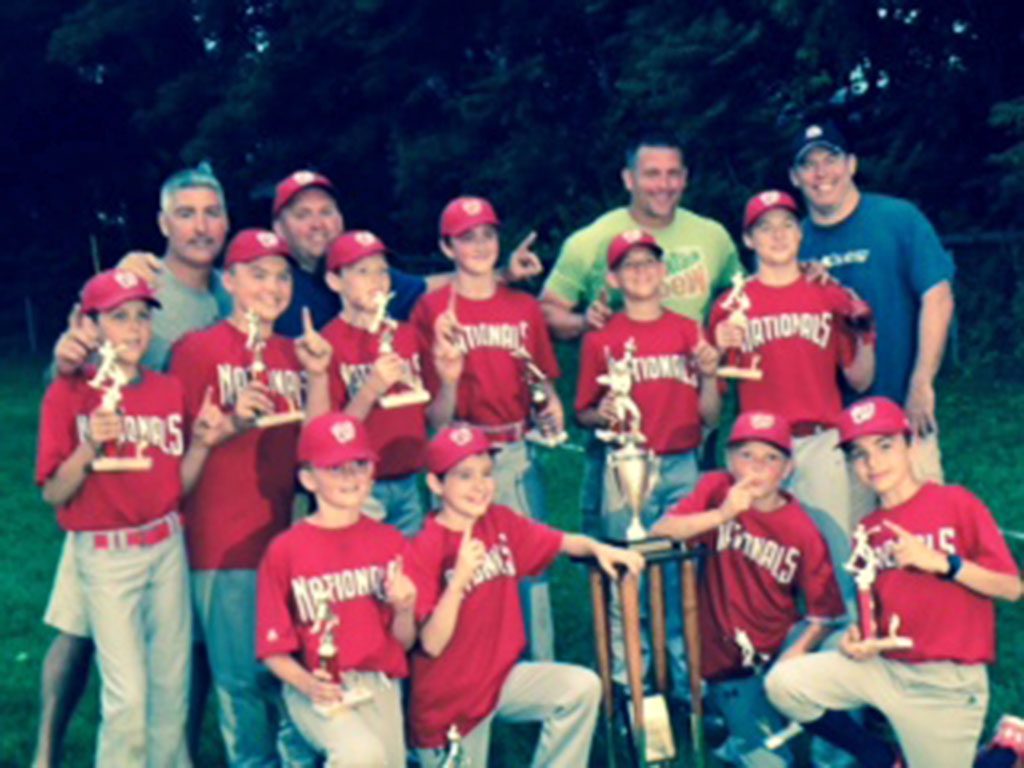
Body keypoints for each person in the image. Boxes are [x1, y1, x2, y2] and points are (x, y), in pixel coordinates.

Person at [37, 163, 232, 768]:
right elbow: (67, 374)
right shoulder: (137, 279)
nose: (200, 226)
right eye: (186, 213)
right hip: (103, 515)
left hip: (170, 511)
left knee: (173, 668)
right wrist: (67, 363)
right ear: (162, 223)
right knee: (83, 642)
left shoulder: (231, 292)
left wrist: (203, 443)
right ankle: (45, 752)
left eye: (212, 213)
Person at [765, 397, 1021, 768]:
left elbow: (1011, 588)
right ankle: (881, 757)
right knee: (784, 685)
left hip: (945, 684)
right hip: (886, 669)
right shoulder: (868, 529)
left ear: (909, 445)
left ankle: (1007, 750)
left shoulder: (955, 503)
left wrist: (944, 563)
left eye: (885, 446)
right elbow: (880, 611)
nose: (873, 462)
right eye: (859, 454)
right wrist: (860, 635)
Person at [168, 228, 332, 765]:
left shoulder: (293, 352)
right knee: (239, 675)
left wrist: (318, 376)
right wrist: (231, 422)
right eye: (258, 274)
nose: (272, 286)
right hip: (223, 539)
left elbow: (320, 443)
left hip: (284, 536)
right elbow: (179, 450)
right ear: (230, 281)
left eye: (282, 276)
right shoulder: (197, 350)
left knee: (288, 668)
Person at [405, 425, 645, 767]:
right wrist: (457, 583)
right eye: (464, 476)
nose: (479, 485)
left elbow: (559, 540)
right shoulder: (424, 548)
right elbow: (431, 644)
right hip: (451, 701)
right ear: (435, 484)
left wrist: (597, 548)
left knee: (579, 689)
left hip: (499, 678)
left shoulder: (499, 523)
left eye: (486, 473)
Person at [539, 133, 741, 536]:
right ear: (628, 179)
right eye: (651, 174)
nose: (663, 185)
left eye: (672, 174)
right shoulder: (591, 240)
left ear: (685, 178)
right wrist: (585, 323)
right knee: (618, 539)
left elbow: (742, 294)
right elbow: (546, 312)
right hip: (624, 434)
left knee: (692, 543)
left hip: (688, 416)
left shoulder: (713, 236)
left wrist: (718, 353)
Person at [410, 196, 563, 661]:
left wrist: (551, 406)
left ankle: (540, 668)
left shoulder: (523, 307)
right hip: (459, 452)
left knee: (530, 566)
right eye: (466, 238)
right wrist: (450, 381)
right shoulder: (433, 309)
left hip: (513, 451)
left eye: (487, 235)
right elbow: (433, 416)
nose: (479, 245)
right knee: (461, 570)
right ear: (446, 247)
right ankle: (470, 670)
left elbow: (540, 379)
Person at [652, 411, 846, 767]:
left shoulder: (802, 528)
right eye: (746, 455)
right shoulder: (716, 490)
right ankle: (738, 737)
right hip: (729, 664)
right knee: (772, 762)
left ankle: (833, 757)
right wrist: (721, 516)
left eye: (771, 458)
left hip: (779, 649)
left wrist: (791, 659)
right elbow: (660, 531)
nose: (757, 467)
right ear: (729, 461)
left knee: (840, 656)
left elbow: (825, 614)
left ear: (787, 470)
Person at [575, 228, 721, 697]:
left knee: (681, 579)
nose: (641, 272)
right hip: (625, 468)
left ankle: (685, 686)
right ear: (613, 278)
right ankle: (630, 685)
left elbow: (711, 416)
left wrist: (710, 376)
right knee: (627, 576)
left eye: (649, 262)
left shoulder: (688, 330)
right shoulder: (602, 338)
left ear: (663, 271)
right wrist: (602, 414)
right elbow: (583, 413)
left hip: (681, 464)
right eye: (629, 265)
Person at [710, 190, 875, 566]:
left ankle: (845, 608)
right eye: (765, 228)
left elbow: (860, 379)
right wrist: (715, 352)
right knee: (763, 558)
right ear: (748, 239)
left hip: (819, 441)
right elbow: (712, 403)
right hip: (759, 448)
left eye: (787, 225)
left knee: (835, 553)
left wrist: (865, 333)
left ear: (800, 233)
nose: (778, 235)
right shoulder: (730, 306)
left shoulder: (830, 295)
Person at [790, 121, 955, 486]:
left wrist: (921, 383)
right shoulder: (789, 243)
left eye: (830, 160)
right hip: (831, 433)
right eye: (808, 165)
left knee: (921, 515)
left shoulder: (898, 219)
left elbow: (938, 296)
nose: (821, 173)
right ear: (795, 177)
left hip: (903, 412)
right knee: (843, 523)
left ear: (851, 164)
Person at [257, 412, 417, 767]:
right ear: (308, 479)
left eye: (360, 464)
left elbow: (403, 642)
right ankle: (294, 738)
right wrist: (307, 685)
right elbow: (272, 651)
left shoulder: (390, 542)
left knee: (384, 760)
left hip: (378, 683)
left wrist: (405, 608)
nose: (350, 476)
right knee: (360, 755)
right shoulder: (286, 550)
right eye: (335, 468)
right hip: (315, 685)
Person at [270, 170, 544, 336]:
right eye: (302, 215)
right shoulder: (268, 284)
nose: (317, 224)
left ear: (340, 220)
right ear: (279, 229)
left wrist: (504, 274)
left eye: (326, 212)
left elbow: (429, 286)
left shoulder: (368, 275)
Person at [314, 229, 452, 535]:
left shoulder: (407, 335)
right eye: (362, 272)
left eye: (382, 271)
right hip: (356, 485)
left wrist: (450, 380)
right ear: (335, 281)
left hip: (409, 480)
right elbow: (329, 437)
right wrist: (371, 389)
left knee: (409, 561)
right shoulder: (328, 344)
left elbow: (438, 418)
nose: (376, 280)